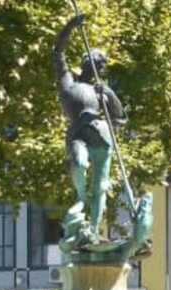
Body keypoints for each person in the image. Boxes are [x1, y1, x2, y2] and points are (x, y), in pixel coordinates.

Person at [54, 13, 126, 248]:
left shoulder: (100, 91)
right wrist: (70, 27)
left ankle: (93, 230)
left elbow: (119, 118)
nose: (100, 69)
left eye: (102, 67)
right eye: (98, 64)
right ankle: (81, 199)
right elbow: (58, 53)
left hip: (102, 139)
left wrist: (109, 94)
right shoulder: (69, 83)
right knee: (79, 163)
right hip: (78, 135)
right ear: (87, 63)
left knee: (101, 186)